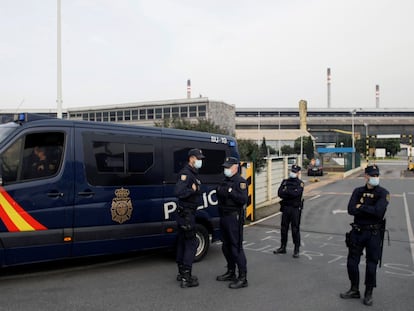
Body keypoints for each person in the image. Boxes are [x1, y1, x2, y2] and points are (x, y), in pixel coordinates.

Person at [340, 164, 390, 306]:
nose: (375, 178)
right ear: (365, 176)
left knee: (371, 264)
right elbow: (350, 209)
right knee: (351, 262)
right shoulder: (358, 191)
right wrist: (369, 209)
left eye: (377, 175)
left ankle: (369, 293)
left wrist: (360, 207)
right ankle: (354, 289)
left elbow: (378, 212)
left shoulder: (383, 193)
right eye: (372, 175)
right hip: (357, 231)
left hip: (373, 233)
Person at [174, 148, 205, 288]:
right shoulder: (186, 173)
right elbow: (179, 192)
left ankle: (181, 272)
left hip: (185, 213)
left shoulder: (193, 173)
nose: (200, 161)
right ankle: (186, 276)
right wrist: (193, 190)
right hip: (187, 214)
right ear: (191, 158)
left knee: (182, 242)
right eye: (198, 158)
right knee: (191, 244)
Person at [216, 157, 249, 289]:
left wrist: (229, 192)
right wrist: (227, 192)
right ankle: (231, 271)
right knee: (226, 246)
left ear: (235, 167)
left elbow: (242, 199)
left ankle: (243, 277)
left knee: (236, 247)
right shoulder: (225, 180)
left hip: (234, 217)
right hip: (223, 215)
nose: (226, 169)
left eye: (228, 167)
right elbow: (218, 192)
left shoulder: (240, 182)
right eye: (225, 167)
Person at [273, 164, 304, 258]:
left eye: (295, 172)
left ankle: (296, 249)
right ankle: (283, 247)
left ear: (298, 173)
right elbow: (280, 193)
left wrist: (286, 192)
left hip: (295, 209)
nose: (292, 173)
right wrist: (289, 192)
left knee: (295, 229)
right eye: (292, 171)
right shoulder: (285, 181)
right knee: (284, 228)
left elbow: (296, 194)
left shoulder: (300, 183)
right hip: (286, 207)